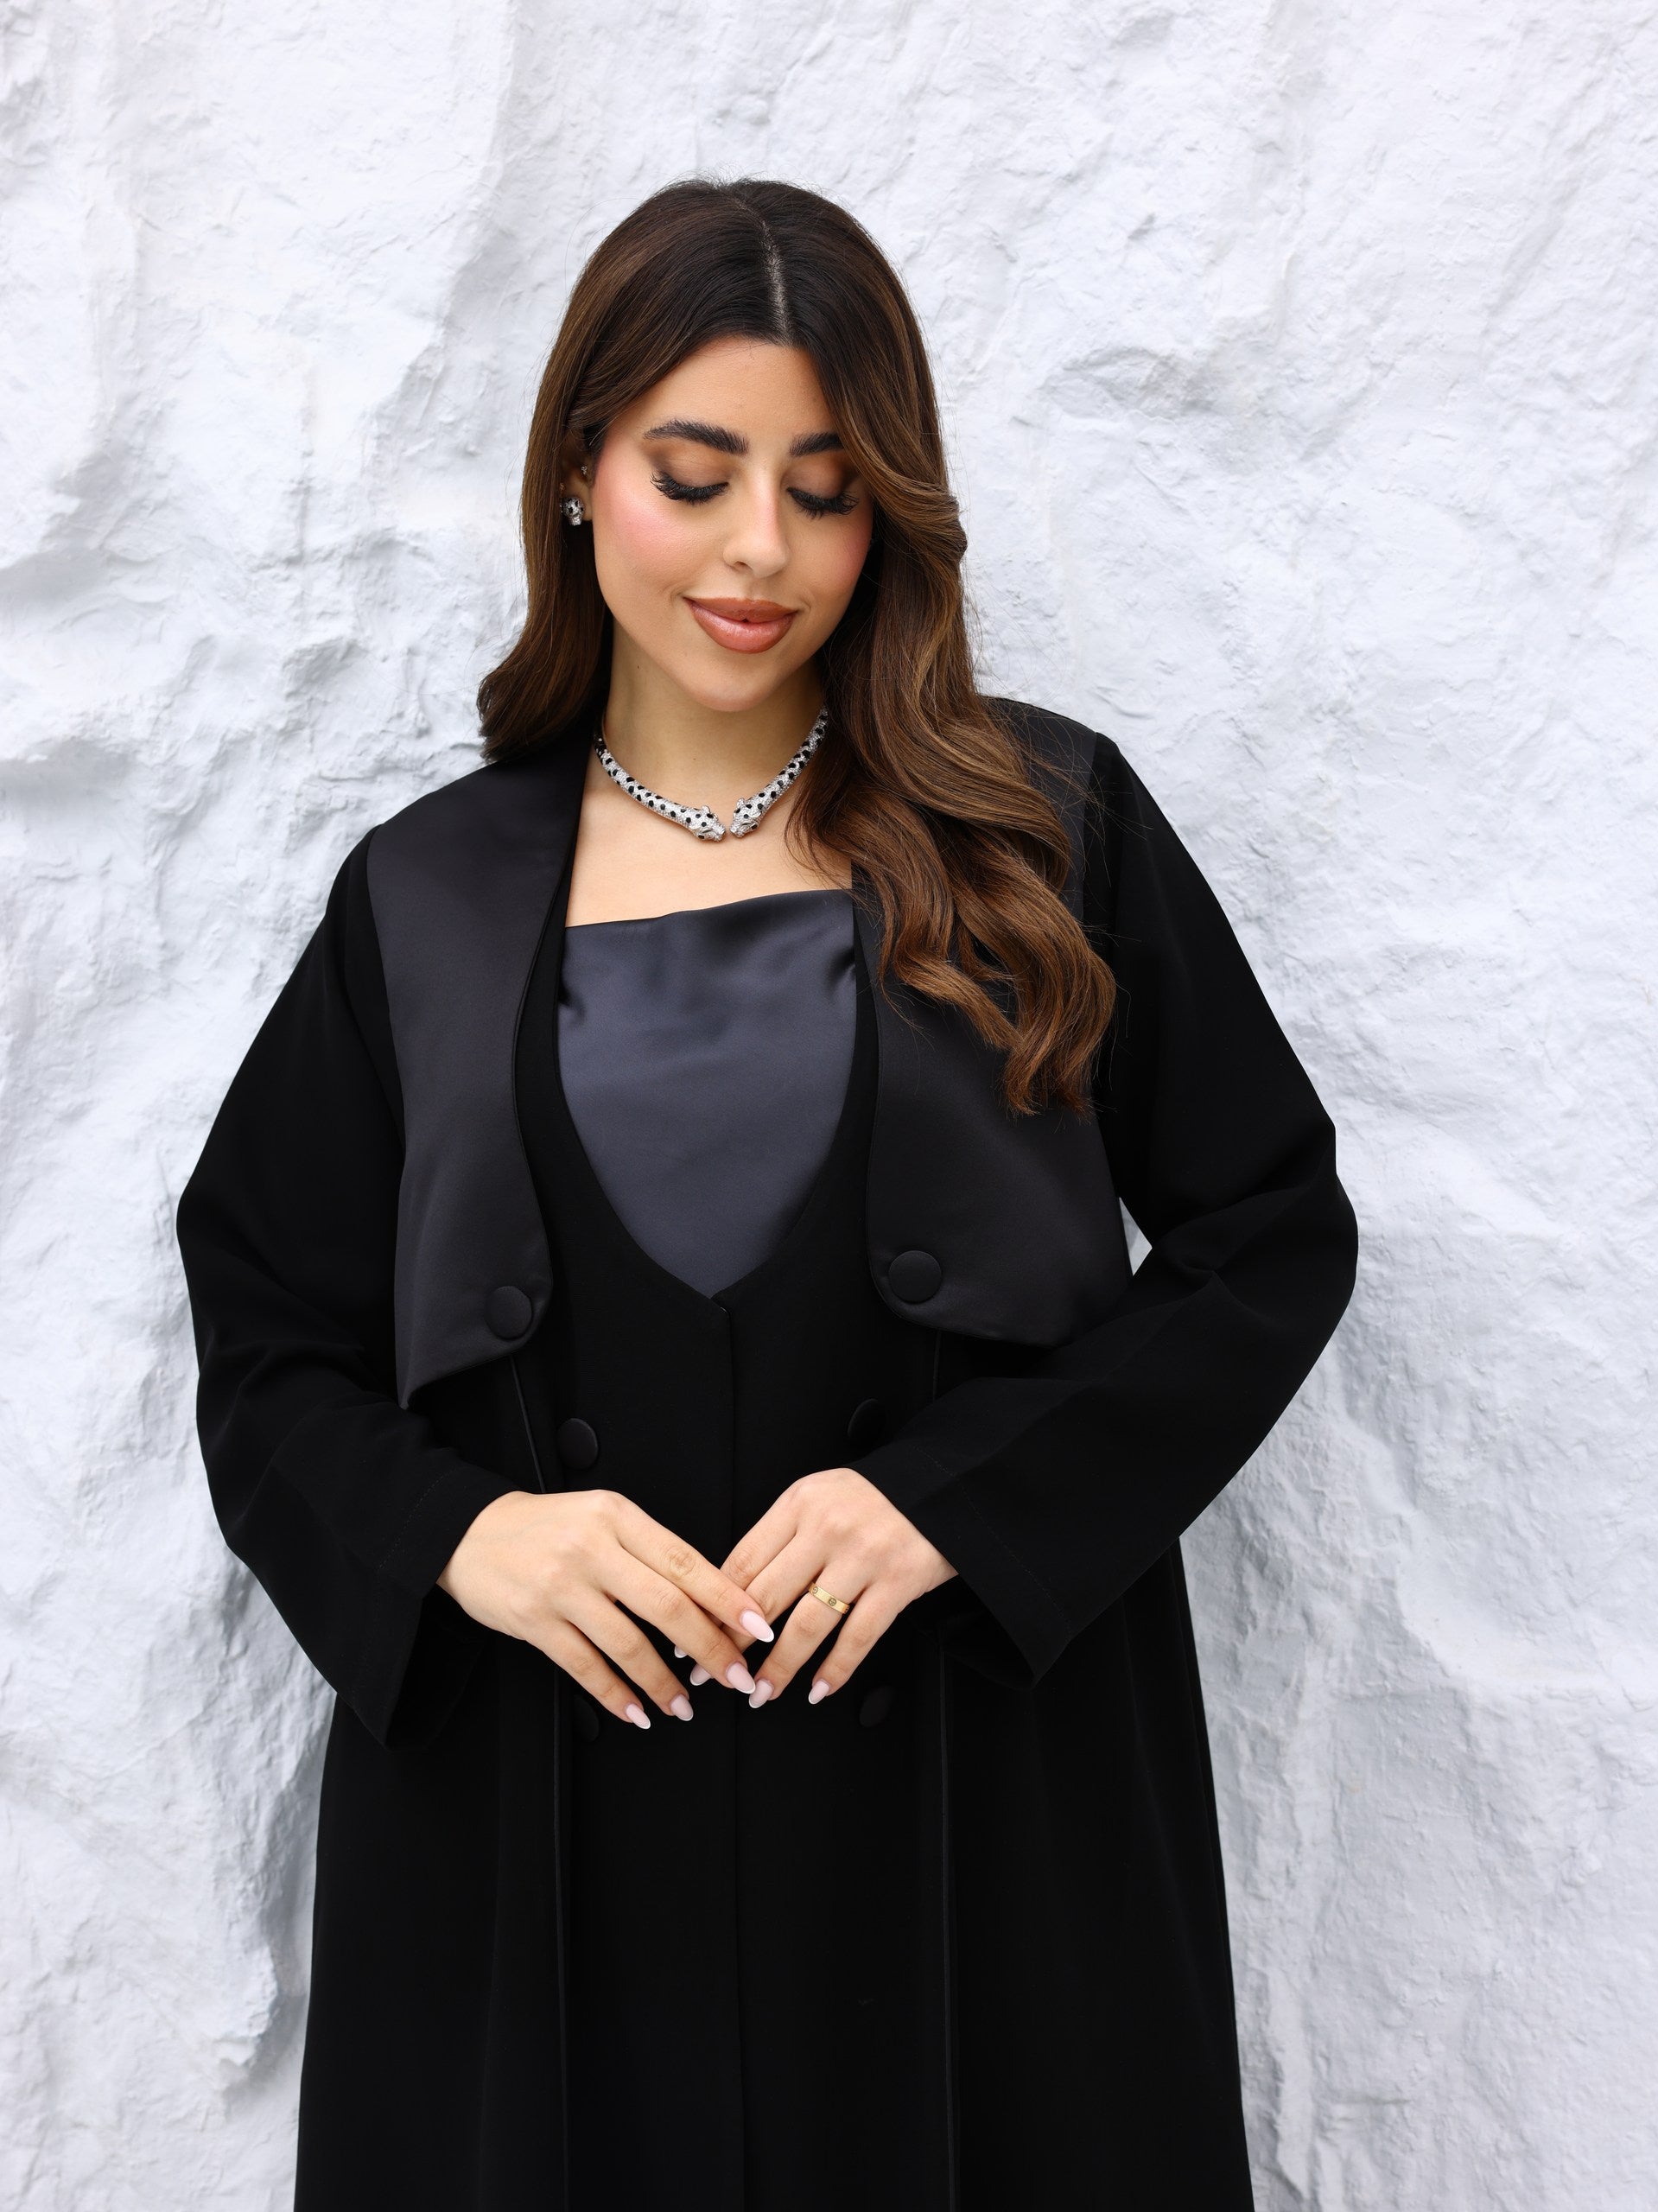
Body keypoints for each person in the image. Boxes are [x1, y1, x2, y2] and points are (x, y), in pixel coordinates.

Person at [175, 176, 1358, 2212]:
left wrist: (962, 1497)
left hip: (984, 1827)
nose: (759, 552)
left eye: (826, 490)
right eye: (695, 473)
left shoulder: (1042, 830)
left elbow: (1269, 1232)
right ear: (578, 469)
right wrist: (466, 1538)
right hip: (532, 1854)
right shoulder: (424, 896)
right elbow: (265, 1337)